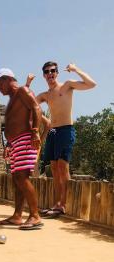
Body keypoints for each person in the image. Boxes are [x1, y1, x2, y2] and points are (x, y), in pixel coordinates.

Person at [36, 62, 96, 218]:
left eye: (53, 71)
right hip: (53, 132)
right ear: (44, 75)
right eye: (47, 72)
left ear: (57, 73)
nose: (50, 74)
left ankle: (64, 205)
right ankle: (57, 204)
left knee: (63, 167)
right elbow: (29, 105)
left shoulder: (67, 86)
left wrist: (76, 69)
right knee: (54, 168)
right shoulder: (45, 95)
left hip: (66, 129)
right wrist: (45, 120)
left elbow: (92, 84)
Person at [0, 68, 43, 230]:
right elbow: (15, 122)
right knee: (17, 179)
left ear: (7, 79)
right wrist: (9, 144)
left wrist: (35, 132)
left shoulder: (22, 91)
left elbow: (37, 108)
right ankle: (17, 216)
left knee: (22, 177)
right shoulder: (13, 98)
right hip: (16, 142)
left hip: (26, 139)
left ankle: (35, 216)